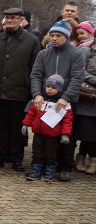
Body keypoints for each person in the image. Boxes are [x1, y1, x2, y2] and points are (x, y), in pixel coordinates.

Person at [0, 7, 40, 172]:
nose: (9, 20)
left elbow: (36, 66)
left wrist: (29, 86)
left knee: (18, 127)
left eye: (13, 17)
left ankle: (16, 158)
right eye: (6, 17)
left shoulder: (31, 41)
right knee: (0, 126)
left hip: (20, 91)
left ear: (21, 20)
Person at [30, 21, 86, 181]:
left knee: (66, 134)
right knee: (44, 135)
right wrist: (36, 94)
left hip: (66, 102)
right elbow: (35, 75)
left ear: (66, 37)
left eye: (58, 35)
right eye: (52, 35)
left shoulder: (76, 54)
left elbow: (77, 77)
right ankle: (42, 165)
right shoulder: (43, 54)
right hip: (45, 100)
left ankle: (65, 166)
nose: (54, 38)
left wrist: (65, 97)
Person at [22, 75, 74, 182]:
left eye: (53, 87)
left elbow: (67, 121)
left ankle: (50, 172)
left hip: (52, 136)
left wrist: (65, 134)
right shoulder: (40, 100)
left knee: (50, 154)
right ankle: (36, 171)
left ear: (59, 89)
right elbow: (31, 113)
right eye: (48, 86)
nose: (49, 89)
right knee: (37, 153)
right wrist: (25, 124)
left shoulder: (63, 104)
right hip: (38, 134)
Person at [73, 22, 96, 174]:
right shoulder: (85, 50)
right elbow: (81, 71)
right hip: (88, 99)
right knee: (87, 133)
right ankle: (82, 158)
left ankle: (91, 160)